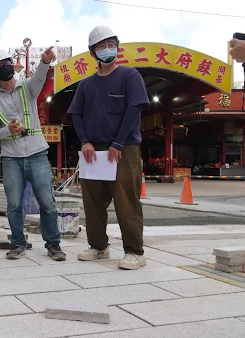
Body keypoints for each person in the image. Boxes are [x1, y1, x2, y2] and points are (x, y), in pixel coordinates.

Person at [68, 25, 150, 270]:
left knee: (127, 202)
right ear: (92, 52)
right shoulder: (86, 84)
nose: (107, 49)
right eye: (101, 46)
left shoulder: (129, 75)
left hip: (123, 150)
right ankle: (99, 246)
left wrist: (118, 142)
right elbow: (76, 115)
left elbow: (134, 110)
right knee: (92, 201)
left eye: (111, 44)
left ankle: (135, 251)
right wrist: (85, 141)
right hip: (94, 151)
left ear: (118, 46)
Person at [0, 47, 66, 261]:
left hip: (37, 153)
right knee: (13, 204)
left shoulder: (27, 87)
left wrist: (45, 62)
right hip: (11, 157)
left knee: (47, 201)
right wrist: (7, 131)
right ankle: (18, 244)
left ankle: (53, 244)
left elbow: (39, 77)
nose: (5, 68)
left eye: (7, 63)